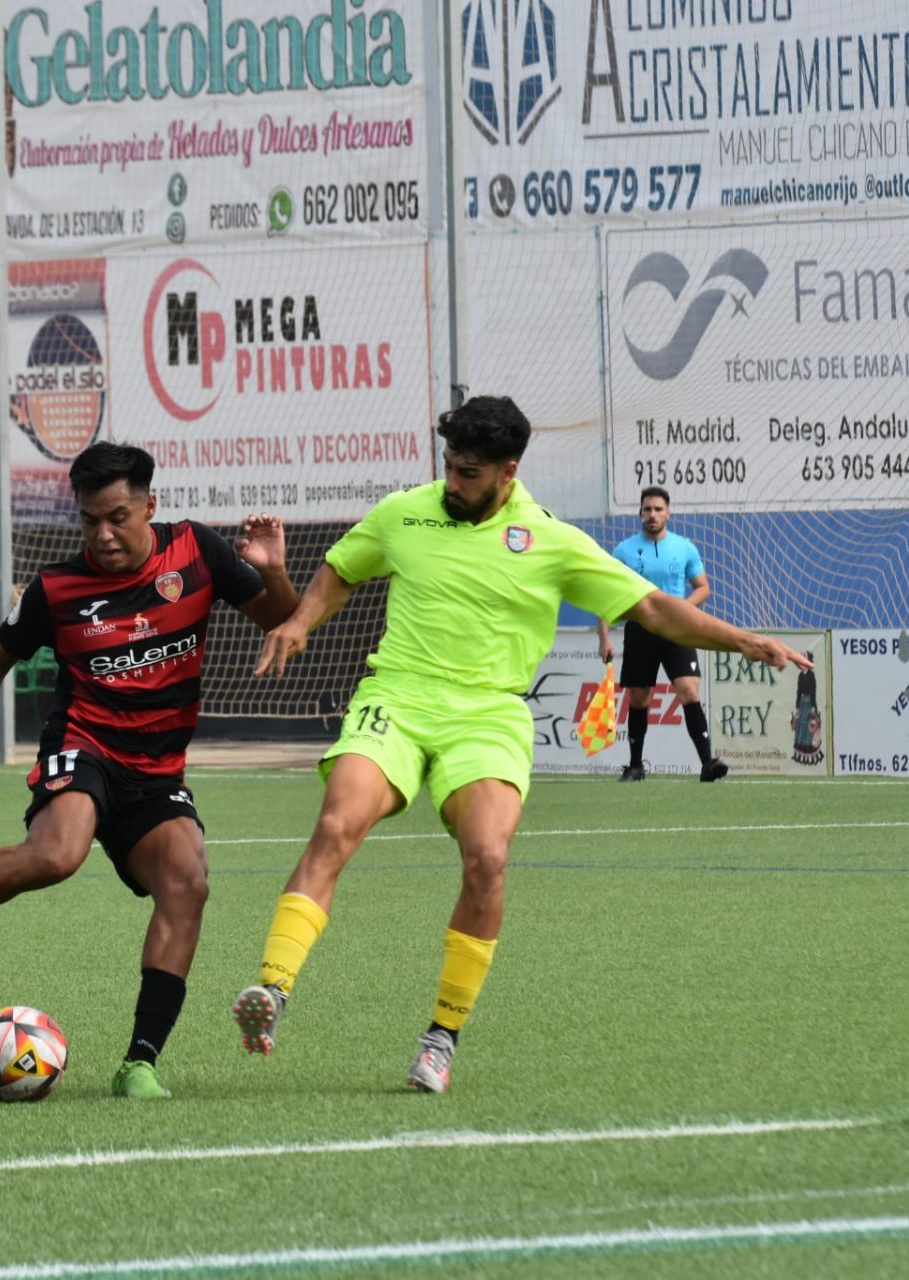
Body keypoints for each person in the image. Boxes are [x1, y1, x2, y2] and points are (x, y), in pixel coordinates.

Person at [232, 397, 810, 1094]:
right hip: (399, 698)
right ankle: (274, 989)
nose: (452, 482)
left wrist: (741, 639)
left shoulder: (551, 539)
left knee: (488, 859)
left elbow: (653, 608)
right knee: (336, 825)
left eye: (469, 473)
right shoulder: (403, 512)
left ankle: (441, 1037)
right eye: (449, 466)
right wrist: (300, 620)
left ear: (508, 471)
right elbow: (341, 572)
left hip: (488, 714)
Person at [0, 442, 301, 1101]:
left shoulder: (197, 552)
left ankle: (139, 1064)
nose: (102, 535)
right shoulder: (58, 589)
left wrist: (274, 572)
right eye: (89, 520)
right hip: (85, 745)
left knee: (187, 883)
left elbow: (282, 619)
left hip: (157, 771)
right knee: (57, 854)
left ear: (150, 507)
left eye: (117, 518)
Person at [596, 487, 725, 782]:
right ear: (640, 513)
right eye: (647, 509)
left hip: (677, 630)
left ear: (668, 512)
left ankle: (708, 763)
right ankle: (635, 766)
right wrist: (604, 637)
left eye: (658, 509)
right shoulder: (624, 551)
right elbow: (605, 594)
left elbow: (703, 587)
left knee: (689, 690)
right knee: (639, 698)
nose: (652, 514)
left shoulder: (684, 547)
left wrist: (681, 610)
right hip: (640, 630)